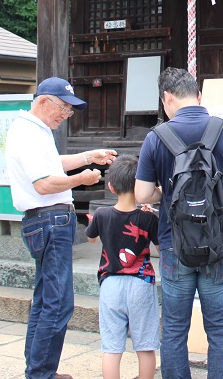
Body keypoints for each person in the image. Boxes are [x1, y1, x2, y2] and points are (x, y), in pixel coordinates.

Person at [134, 67, 223, 379]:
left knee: (174, 330)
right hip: (219, 246)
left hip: (175, 247)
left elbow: (142, 194)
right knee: (219, 331)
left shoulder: (155, 138)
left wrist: (169, 191)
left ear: (167, 98)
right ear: (199, 96)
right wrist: (216, 184)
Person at [5, 76, 118, 379]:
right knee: (58, 303)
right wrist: (81, 179)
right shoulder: (29, 133)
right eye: (63, 109)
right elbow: (44, 183)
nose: (64, 116)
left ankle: (39, 370)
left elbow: (51, 164)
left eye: (68, 111)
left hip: (45, 220)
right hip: (49, 219)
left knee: (46, 300)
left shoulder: (33, 130)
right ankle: (41, 373)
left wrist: (86, 157)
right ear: (43, 102)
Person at [85, 155, 160, 379]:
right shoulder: (148, 219)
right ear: (140, 186)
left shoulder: (101, 214)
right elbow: (160, 247)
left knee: (112, 347)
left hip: (111, 285)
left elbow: (91, 239)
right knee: (145, 345)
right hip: (141, 283)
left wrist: (95, 224)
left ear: (111, 186)